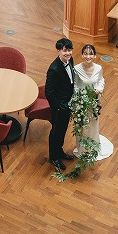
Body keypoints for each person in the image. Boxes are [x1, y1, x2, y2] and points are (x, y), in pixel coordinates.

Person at [72, 44, 111, 161]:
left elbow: (101, 80)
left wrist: (99, 90)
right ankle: (82, 148)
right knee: (82, 124)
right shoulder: (76, 69)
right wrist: (81, 96)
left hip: (94, 100)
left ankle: (93, 146)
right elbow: (75, 85)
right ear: (82, 54)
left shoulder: (99, 68)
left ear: (94, 55)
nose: (88, 56)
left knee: (93, 123)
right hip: (81, 102)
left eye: (90, 54)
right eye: (85, 53)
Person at [44, 38, 75, 171]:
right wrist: (58, 106)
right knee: (56, 132)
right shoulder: (54, 69)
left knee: (62, 130)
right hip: (59, 107)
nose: (68, 53)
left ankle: (59, 151)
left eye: (69, 50)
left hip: (68, 103)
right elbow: (48, 92)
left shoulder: (70, 61)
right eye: (65, 51)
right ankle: (53, 157)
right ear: (58, 51)